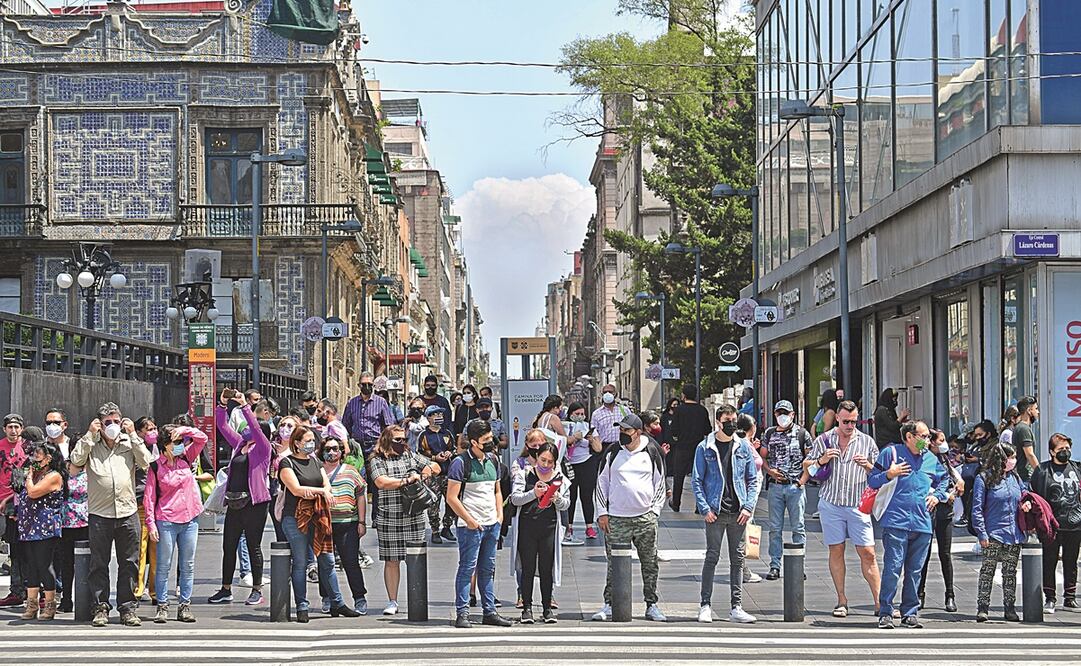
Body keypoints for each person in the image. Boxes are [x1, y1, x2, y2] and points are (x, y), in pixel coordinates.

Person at [70, 403, 154, 627]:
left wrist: (134, 435)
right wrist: (90, 434)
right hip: (100, 513)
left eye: (116, 421)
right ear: (100, 423)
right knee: (99, 563)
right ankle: (100, 607)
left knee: (130, 562)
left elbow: (146, 461)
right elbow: (76, 461)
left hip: (127, 512)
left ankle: (127, 608)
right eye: (108, 422)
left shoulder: (129, 442)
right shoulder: (91, 443)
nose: (113, 426)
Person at [868, 421, 949, 629]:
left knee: (915, 571)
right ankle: (886, 611)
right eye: (923, 436)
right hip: (896, 521)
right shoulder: (891, 453)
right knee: (893, 568)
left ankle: (910, 612)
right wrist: (889, 474)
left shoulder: (931, 459)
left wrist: (938, 497)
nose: (927, 440)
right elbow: (872, 481)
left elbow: (945, 479)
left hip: (922, 523)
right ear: (909, 437)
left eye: (928, 437)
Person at [804, 400, 881, 618]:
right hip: (831, 503)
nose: (850, 426)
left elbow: (879, 474)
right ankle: (841, 599)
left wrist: (866, 465)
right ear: (837, 417)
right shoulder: (824, 440)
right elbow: (809, 468)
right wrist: (822, 459)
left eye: (854, 422)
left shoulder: (866, 442)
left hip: (858, 505)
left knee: (868, 553)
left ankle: (879, 601)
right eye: (846, 421)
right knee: (836, 550)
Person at [278, 426, 359, 621]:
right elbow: (296, 490)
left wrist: (324, 490)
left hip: (318, 516)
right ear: (296, 443)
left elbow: (325, 483)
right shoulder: (286, 463)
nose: (311, 444)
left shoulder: (315, 461)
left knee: (328, 561)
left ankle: (337, 603)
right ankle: (302, 607)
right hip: (295, 517)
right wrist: (322, 492)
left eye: (312, 440)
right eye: (306, 441)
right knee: (300, 562)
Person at [592, 413, 667, 623]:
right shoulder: (613, 452)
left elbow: (659, 482)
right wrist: (602, 512)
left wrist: (654, 512)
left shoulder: (651, 451)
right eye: (620, 430)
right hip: (616, 517)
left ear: (638, 432)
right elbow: (602, 482)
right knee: (613, 564)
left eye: (627, 430)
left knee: (650, 563)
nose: (622, 434)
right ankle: (609, 604)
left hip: (645, 518)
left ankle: (651, 604)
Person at [691, 404, 760, 624]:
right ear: (718, 422)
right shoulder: (705, 447)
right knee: (712, 556)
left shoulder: (743, 447)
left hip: (738, 510)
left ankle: (736, 606)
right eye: (727, 419)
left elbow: (752, 478)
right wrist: (705, 508)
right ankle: (705, 605)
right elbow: (697, 480)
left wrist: (748, 507)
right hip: (716, 510)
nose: (731, 423)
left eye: (734, 419)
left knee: (737, 560)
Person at [208, 389, 271, 607]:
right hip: (235, 501)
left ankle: (256, 589)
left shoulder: (263, 449)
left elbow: (254, 427)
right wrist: (223, 404)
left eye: (249, 428)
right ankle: (226, 589)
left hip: (255, 503)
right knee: (229, 544)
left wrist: (245, 406)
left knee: (254, 545)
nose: (245, 430)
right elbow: (223, 426)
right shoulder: (239, 446)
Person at [447, 419, 512, 629]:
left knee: (487, 569)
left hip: (492, 523)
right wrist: (469, 520)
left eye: (490, 438)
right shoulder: (460, 463)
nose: (490, 442)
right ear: (473, 442)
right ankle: (462, 612)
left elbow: (497, 490)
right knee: (467, 568)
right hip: (470, 526)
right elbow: (452, 497)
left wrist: (499, 516)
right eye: (485, 440)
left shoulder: (493, 460)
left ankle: (490, 611)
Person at [369, 424, 439, 616]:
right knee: (392, 560)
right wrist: (407, 480)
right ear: (386, 440)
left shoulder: (409, 455)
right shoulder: (377, 459)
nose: (402, 443)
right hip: (389, 515)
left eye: (404, 439)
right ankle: (392, 600)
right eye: (397, 440)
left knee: (415, 559)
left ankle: (417, 597)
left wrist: (425, 472)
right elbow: (380, 482)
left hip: (413, 514)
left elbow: (434, 466)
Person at [144, 424, 207, 623]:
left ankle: (184, 605)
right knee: (163, 564)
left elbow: (202, 438)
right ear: (165, 445)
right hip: (166, 519)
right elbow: (150, 497)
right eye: (176, 443)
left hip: (190, 518)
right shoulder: (156, 466)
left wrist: (184, 430)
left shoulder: (186, 458)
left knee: (188, 564)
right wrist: (151, 524)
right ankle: (162, 605)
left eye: (181, 442)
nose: (180, 446)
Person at [509, 441, 569, 624]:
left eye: (550, 461)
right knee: (527, 568)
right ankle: (526, 607)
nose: (545, 464)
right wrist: (533, 493)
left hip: (549, 527)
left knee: (546, 568)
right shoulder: (524, 474)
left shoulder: (561, 479)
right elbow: (515, 499)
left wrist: (557, 498)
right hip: (527, 527)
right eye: (543, 460)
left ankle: (547, 608)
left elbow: (566, 504)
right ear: (536, 458)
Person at [972, 442, 1028, 622]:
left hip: (1014, 533)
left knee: (1010, 572)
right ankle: (983, 607)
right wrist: (982, 533)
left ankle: (1009, 608)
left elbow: (1024, 493)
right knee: (988, 570)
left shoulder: (1015, 478)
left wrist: (1027, 502)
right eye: (1011, 457)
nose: (1014, 460)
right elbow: (977, 508)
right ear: (1001, 458)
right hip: (993, 532)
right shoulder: (984, 478)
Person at [760, 400, 812, 581]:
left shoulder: (802, 434)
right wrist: (769, 471)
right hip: (775, 486)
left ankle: (799, 565)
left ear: (793, 414)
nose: (782, 416)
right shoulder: (769, 433)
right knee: (775, 528)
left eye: (786, 413)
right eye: (779, 413)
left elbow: (811, 459)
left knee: (798, 526)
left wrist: (801, 481)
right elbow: (762, 457)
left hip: (795, 486)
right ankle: (775, 565)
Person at [12, 441, 65, 621]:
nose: (33, 459)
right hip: (28, 526)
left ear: (48, 458)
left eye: (38, 455)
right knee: (31, 565)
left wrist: (28, 476)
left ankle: (50, 604)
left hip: (45, 526)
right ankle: (31, 604)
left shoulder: (53, 476)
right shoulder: (34, 475)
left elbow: (33, 492)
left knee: (44, 564)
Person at [316, 436, 368, 615]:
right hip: (324, 524)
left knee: (351, 562)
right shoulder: (317, 471)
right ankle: (327, 598)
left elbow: (361, 495)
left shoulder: (351, 471)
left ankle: (359, 598)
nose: (331, 452)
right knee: (325, 563)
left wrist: (362, 522)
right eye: (328, 449)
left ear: (341, 451)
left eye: (335, 449)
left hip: (348, 523)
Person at [1031, 433, 1081, 614]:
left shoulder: (1076, 468)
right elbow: (1035, 495)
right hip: (1052, 525)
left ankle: (1070, 596)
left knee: (1071, 560)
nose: (1065, 452)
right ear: (1052, 451)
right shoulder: (1043, 471)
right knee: (1049, 560)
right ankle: (1050, 597)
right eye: (1061, 449)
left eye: (1067, 449)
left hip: (1075, 524)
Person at [917, 428, 963, 613]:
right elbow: (925, 485)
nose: (944, 444)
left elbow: (952, 478)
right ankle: (920, 594)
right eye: (940, 440)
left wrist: (957, 485)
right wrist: (945, 495)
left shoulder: (945, 459)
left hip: (945, 511)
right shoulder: (925, 458)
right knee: (924, 554)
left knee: (945, 553)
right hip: (929, 509)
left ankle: (950, 594)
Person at [667, 385, 713, 513]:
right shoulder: (702, 410)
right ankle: (699, 506)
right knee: (700, 476)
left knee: (679, 476)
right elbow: (707, 429)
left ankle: (676, 503)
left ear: (684, 395)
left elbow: (674, 429)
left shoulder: (679, 410)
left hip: (682, 447)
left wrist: (677, 437)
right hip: (698, 447)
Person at [0, 413, 28, 608]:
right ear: (4, 429)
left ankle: (30, 588)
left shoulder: (28, 448)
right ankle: (17, 589)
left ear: (22, 429)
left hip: (23, 501)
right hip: (4, 502)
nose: (13, 431)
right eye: (10, 427)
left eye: (17, 427)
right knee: (14, 547)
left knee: (27, 548)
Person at [419, 405, 457, 544]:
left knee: (451, 502)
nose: (439, 416)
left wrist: (449, 453)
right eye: (435, 414)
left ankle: (447, 527)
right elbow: (420, 454)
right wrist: (435, 458)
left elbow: (453, 449)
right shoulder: (424, 435)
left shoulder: (447, 433)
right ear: (428, 417)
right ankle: (435, 530)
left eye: (440, 414)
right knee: (433, 503)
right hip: (433, 475)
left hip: (448, 473)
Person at [564, 401, 602, 541]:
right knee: (571, 496)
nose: (580, 416)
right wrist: (573, 438)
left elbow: (598, 448)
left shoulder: (590, 427)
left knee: (586, 496)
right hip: (570, 464)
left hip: (587, 463)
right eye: (576, 414)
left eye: (582, 414)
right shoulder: (565, 427)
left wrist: (591, 439)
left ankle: (589, 526)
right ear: (570, 414)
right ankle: (569, 526)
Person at [132, 417, 159, 605]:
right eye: (148, 429)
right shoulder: (134, 449)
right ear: (139, 432)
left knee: (157, 550)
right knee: (140, 550)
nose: (152, 432)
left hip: (158, 503)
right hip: (140, 502)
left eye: (154, 428)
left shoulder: (159, 447)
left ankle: (156, 590)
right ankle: (138, 588)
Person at [57, 454, 88, 614]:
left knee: (87, 564)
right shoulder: (62, 470)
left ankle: (89, 600)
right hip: (65, 523)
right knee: (66, 564)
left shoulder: (91, 469)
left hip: (85, 522)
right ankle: (66, 599)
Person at [1012, 396, 1040, 484]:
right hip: (1025, 477)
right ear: (1029, 411)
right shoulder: (1024, 429)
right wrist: (1041, 473)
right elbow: (1030, 454)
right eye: (1036, 409)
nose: (1038, 412)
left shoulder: (1020, 427)